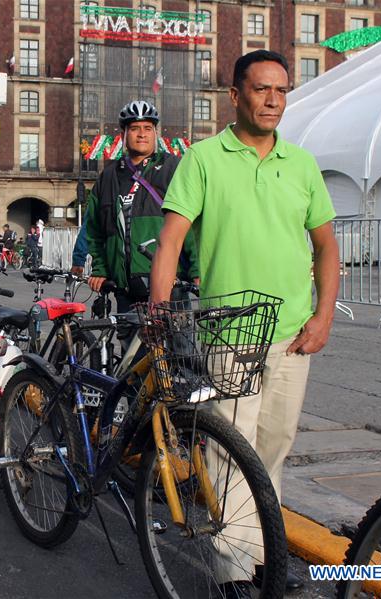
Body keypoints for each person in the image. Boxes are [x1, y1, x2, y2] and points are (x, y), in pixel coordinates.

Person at [150, 50, 340, 597]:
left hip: (293, 335)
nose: (273, 100)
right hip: (230, 334)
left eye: (282, 90)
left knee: (272, 451)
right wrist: (161, 313)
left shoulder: (301, 164)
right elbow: (171, 241)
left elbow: (326, 246)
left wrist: (324, 315)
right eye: (262, 89)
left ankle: (261, 558)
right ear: (235, 95)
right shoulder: (204, 159)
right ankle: (234, 572)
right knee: (230, 455)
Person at [86, 99, 198, 313]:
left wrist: (196, 270)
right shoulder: (108, 176)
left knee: (176, 335)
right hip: (127, 289)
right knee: (130, 335)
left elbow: (192, 223)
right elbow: (94, 229)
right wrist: (100, 268)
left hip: (170, 285)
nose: (141, 134)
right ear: (123, 134)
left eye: (148, 128)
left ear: (155, 133)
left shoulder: (174, 167)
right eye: (135, 128)